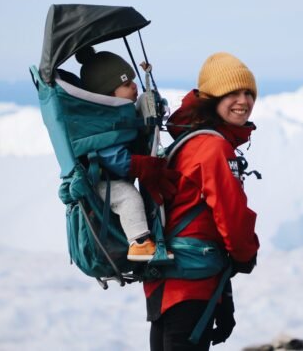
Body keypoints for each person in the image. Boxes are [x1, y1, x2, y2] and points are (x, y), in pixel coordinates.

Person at [145, 52, 260, 350]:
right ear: (212, 98)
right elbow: (231, 214)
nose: (243, 100)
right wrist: (246, 255)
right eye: (232, 92)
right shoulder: (213, 148)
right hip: (191, 281)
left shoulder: (191, 142)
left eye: (248, 92)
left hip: (169, 282)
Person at [76, 46, 174, 262]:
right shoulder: (102, 124)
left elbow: (142, 106)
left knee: (130, 195)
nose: (134, 86)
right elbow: (114, 158)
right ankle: (138, 243)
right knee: (129, 198)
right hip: (102, 182)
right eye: (127, 84)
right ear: (109, 94)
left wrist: (149, 87)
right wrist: (140, 165)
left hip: (112, 178)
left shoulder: (119, 112)